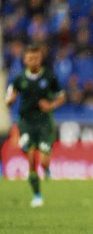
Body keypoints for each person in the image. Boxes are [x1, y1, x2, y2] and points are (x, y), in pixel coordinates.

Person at [5, 44, 66, 207]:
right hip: (26, 122)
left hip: (45, 122)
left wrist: (51, 105)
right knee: (31, 157)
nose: (33, 61)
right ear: (25, 60)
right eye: (30, 58)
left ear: (41, 59)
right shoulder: (19, 79)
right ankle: (37, 195)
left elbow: (62, 96)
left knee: (44, 161)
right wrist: (9, 101)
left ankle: (46, 168)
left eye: (36, 58)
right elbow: (9, 96)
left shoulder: (49, 76)